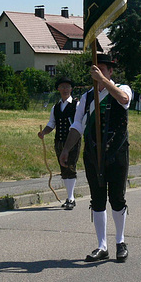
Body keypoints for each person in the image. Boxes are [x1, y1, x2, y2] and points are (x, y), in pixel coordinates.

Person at [60, 54, 133, 263]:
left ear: (110, 71)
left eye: (102, 69)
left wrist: (103, 81)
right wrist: (66, 149)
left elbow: (124, 99)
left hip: (117, 152)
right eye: (95, 70)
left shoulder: (123, 88)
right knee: (97, 199)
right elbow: (77, 125)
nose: (97, 73)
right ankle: (102, 245)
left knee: (117, 198)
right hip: (93, 153)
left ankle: (120, 242)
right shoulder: (87, 97)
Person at [38, 76, 80, 209]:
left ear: (71, 89)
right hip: (59, 141)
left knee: (70, 166)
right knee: (63, 167)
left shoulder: (76, 105)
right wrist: (44, 132)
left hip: (72, 141)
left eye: (67, 87)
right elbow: (52, 123)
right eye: (62, 87)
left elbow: (79, 123)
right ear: (58, 89)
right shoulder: (55, 107)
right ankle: (69, 197)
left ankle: (71, 198)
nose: (65, 89)